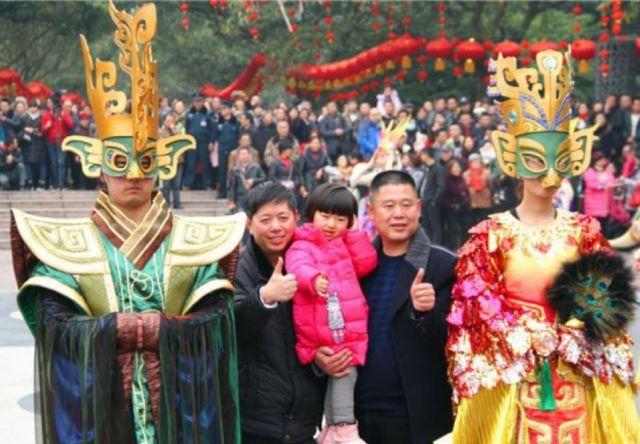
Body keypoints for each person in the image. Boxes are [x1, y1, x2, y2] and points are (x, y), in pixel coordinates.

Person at [11, 3, 245, 441]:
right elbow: (52, 323)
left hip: (180, 412)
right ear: (97, 165)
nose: (134, 174)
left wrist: (165, 330)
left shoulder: (196, 242)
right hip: (100, 415)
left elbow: (218, 319)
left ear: (165, 165)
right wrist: (115, 330)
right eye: (120, 162)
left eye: (145, 161)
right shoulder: (67, 245)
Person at [448, 50, 640, 442]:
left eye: (560, 160)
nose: (550, 174)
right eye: (535, 161)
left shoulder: (584, 230)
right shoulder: (490, 235)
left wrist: (574, 329)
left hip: (577, 374)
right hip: (514, 376)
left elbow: (608, 296)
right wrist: (527, 334)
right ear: (511, 159)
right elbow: (475, 303)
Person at [234, 182, 350, 443]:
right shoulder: (237, 269)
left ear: (296, 219)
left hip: (304, 419)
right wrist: (264, 297)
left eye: (283, 218)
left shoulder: (314, 262)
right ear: (249, 225)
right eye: (266, 219)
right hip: (256, 421)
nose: (276, 227)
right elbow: (232, 329)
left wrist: (320, 357)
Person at [356, 170, 456, 444]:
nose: (398, 214)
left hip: (418, 417)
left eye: (406, 204)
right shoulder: (358, 266)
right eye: (388, 206)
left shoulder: (444, 265)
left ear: (419, 208)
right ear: (371, 211)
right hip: (362, 415)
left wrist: (426, 312)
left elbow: (452, 342)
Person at [285, 183, 378, 443]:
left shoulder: (344, 243)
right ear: (311, 213)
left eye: (340, 219)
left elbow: (366, 263)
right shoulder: (302, 244)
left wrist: (356, 235)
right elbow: (298, 267)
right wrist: (313, 279)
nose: (331, 224)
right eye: (325, 216)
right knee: (345, 372)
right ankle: (343, 427)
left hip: (342, 326)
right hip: (321, 328)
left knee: (342, 373)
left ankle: (333, 429)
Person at [184, 93, 217, 190]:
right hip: (191, 143)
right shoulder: (189, 115)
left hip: (204, 143)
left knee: (205, 164)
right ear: (193, 103)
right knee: (191, 163)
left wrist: (211, 142)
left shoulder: (207, 114)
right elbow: (186, 129)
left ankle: (207, 184)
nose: (197, 104)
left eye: (199, 101)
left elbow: (212, 130)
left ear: (203, 102)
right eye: (195, 102)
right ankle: (188, 184)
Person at [418, 147, 446, 244]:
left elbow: (441, 186)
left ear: (426, 154)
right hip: (424, 201)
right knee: (426, 224)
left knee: (435, 225)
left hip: (431, 202)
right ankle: (429, 244)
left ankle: (436, 245)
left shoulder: (438, 168)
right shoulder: (427, 169)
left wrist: (434, 200)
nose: (420, 157)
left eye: (422, 154)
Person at [228, 145, 266, 213]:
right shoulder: (235, 170)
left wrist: (254, 181)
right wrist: (231, 201)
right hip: (240, 198)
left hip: (254, 197)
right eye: (242, 154)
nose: (244, 156)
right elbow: (232, 186)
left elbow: (264, 179)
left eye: (245, 154)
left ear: (249, 155)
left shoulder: (256, 167)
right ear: (238, 156)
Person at [19, 99, 46, 189]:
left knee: (41, 163)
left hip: (39, 143)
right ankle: (29, 181)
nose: (32, 108)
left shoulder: (41, 117)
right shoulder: (24, 117)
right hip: (27, 143)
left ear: (37, 108)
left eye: (34, 106)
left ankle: (41, 182)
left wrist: (32, 131)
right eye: (30, 106)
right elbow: (21, 129)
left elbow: (42, 131)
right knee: (28, 163)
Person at [159, 112, 184, 209]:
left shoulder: (177, 131)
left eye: (172, 121)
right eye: (168, 121)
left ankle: (177, 203)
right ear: (164, 121)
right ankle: (166, 204)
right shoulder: (160, 132)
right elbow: (165, 144)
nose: (170, 123)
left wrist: (174, 131)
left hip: (178, 161)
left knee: (177, 184)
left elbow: (181, 141)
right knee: (166, 184)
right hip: (166, 161)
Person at [216, 101, 240, 198]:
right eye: (222, 109)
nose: (224, 111)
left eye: (226, 109)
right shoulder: (218, 122)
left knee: (233, 172)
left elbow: (239, 136)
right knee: (222, 172)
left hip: (233, 152)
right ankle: (221, 192)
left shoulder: (236, 122)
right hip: (222, 150)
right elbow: (215, 136)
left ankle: (233, 193)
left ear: (230, 109)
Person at [463, 153, 492, 227]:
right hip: (473, 203)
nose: (475, 163)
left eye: (477, 161)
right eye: (473, 161)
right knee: (474, 224)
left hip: (484, 202)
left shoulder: (487, 172)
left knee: (485, 223)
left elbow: (491, 186)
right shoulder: (466, 174)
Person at [298, 134, 330, 200]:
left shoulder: (323, 153)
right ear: (310, 144)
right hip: (308, 179)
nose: (316, 145)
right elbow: (300, 171)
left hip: (320, 178)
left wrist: (322, 169)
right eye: (314, 143)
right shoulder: (304, 154)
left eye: (318, 143)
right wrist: (302, 185)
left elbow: (329, 164)